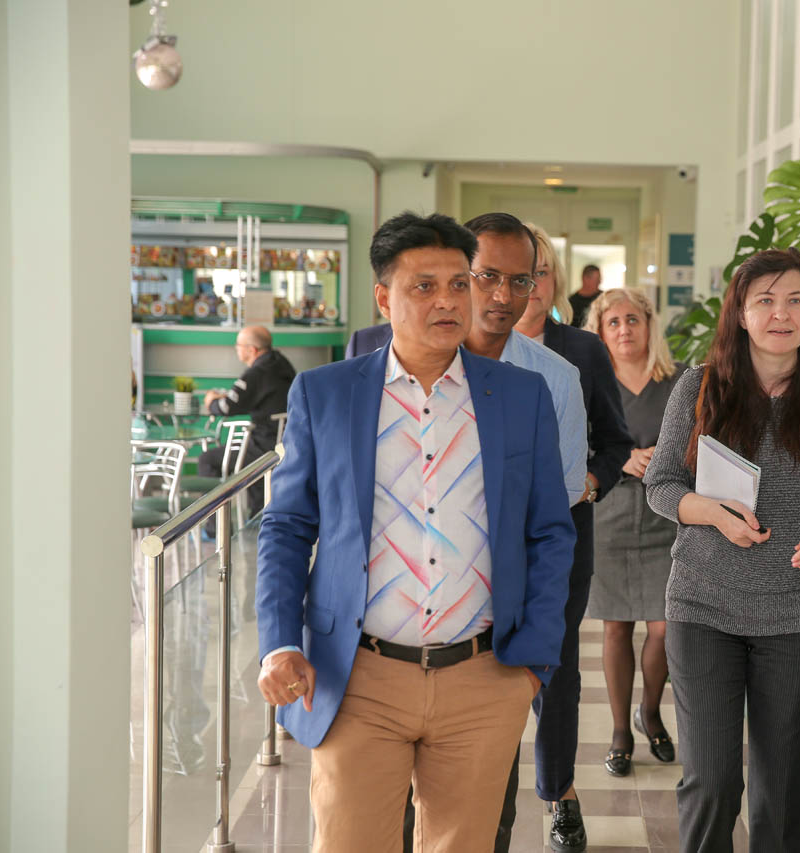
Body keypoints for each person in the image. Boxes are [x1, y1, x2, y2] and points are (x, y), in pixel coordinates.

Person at [254, 211, 576, 852]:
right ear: (384, 298)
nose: (448, 301)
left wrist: (530, 666)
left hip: (482, 677)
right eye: (424, 286)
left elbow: (549, 532)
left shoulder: (521, 396)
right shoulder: (326, 393)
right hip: (357, 676)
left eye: (458, 284)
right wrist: (280, 642)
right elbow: (287, 526)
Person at [644, 248, 800, 852]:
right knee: (712, 783)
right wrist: (712, 513)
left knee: (783, 792)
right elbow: (661, 484)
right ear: (741, 313)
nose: (782, 314)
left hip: (799, 615)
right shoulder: (700, 387)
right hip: (703, 607)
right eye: (766, 301)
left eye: (795, 300)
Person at [399, 212, 592, 853]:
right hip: (396, 624)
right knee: (395, 810)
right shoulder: (393, 363)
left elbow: (559, 505)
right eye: (487, 277)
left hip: (493, 625)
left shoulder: (552, 380)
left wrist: (531, 660)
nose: (504, 296)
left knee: (485, 811)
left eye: (521, 281)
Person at [487, 222, 630, 851]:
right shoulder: (462, 349)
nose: (526, 287)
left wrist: (589, 485)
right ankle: (493, 804)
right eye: (509, 276)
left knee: (557, 667)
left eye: (536, 274)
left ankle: (558, 790)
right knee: (489, 676)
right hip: (489, 541)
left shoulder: (580, 354)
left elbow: (615, 441)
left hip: (564, 530)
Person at [582, 287, 685, 778]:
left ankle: (650, 711)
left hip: (668, 516)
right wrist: (621, 458)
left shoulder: (679, 380)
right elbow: (573, 441)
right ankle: (621, 732)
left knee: (664, 626)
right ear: (600, 332)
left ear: (649, 325)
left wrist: (664, 458)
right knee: (617, 626)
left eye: (632, 320)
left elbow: (704, 437)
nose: (624, 329)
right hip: (610, 513)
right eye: (613, 322)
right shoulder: (589, 381)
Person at [199, 324, 295, 515]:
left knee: (207, 460)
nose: (236, 349)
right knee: (248, 461)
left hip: (263, 446)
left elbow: (227, 407)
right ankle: (257, 515)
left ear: (252, 350)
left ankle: (212, 525)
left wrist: (211, 402)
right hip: (284, 442)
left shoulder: (257, 372)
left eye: (239, 345)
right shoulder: (281, 364)